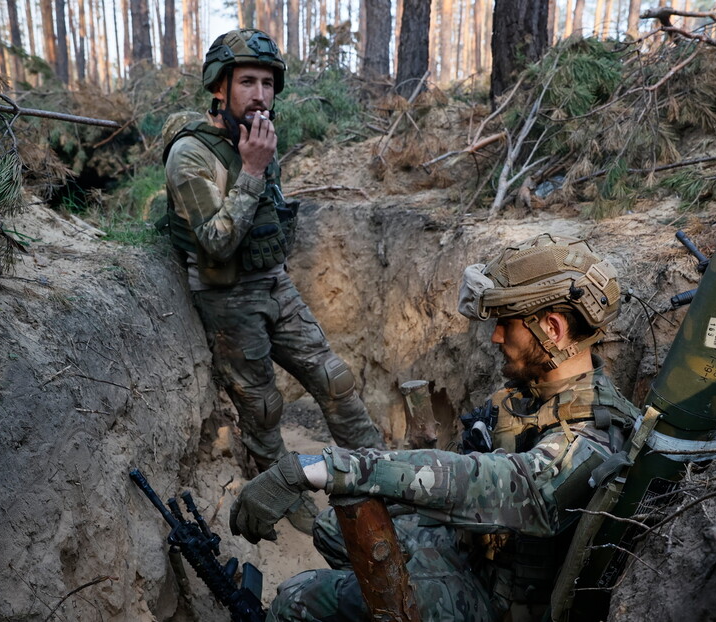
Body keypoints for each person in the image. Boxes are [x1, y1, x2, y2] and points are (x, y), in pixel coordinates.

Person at [229, 233, 642, 621]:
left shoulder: (592, 437)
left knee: (296, 598)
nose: (496, 336)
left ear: (551, 329)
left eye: (507, 323)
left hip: (497, 604)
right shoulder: (537, 396)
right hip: (475, 557)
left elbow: (488, 483)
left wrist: (318, 468)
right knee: (333, 527)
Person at [161, 29, 385, 533]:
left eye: (267, 82)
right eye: (247, 82)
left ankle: (384, 475)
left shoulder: (256, 138)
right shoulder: (192, 155)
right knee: (263, 410)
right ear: (220, 87)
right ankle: (291, 514)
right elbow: (216, 242)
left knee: (335, 380)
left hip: (273, 284)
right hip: (226, 298)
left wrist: (258, 165)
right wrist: (253, 170)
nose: (260, 94)